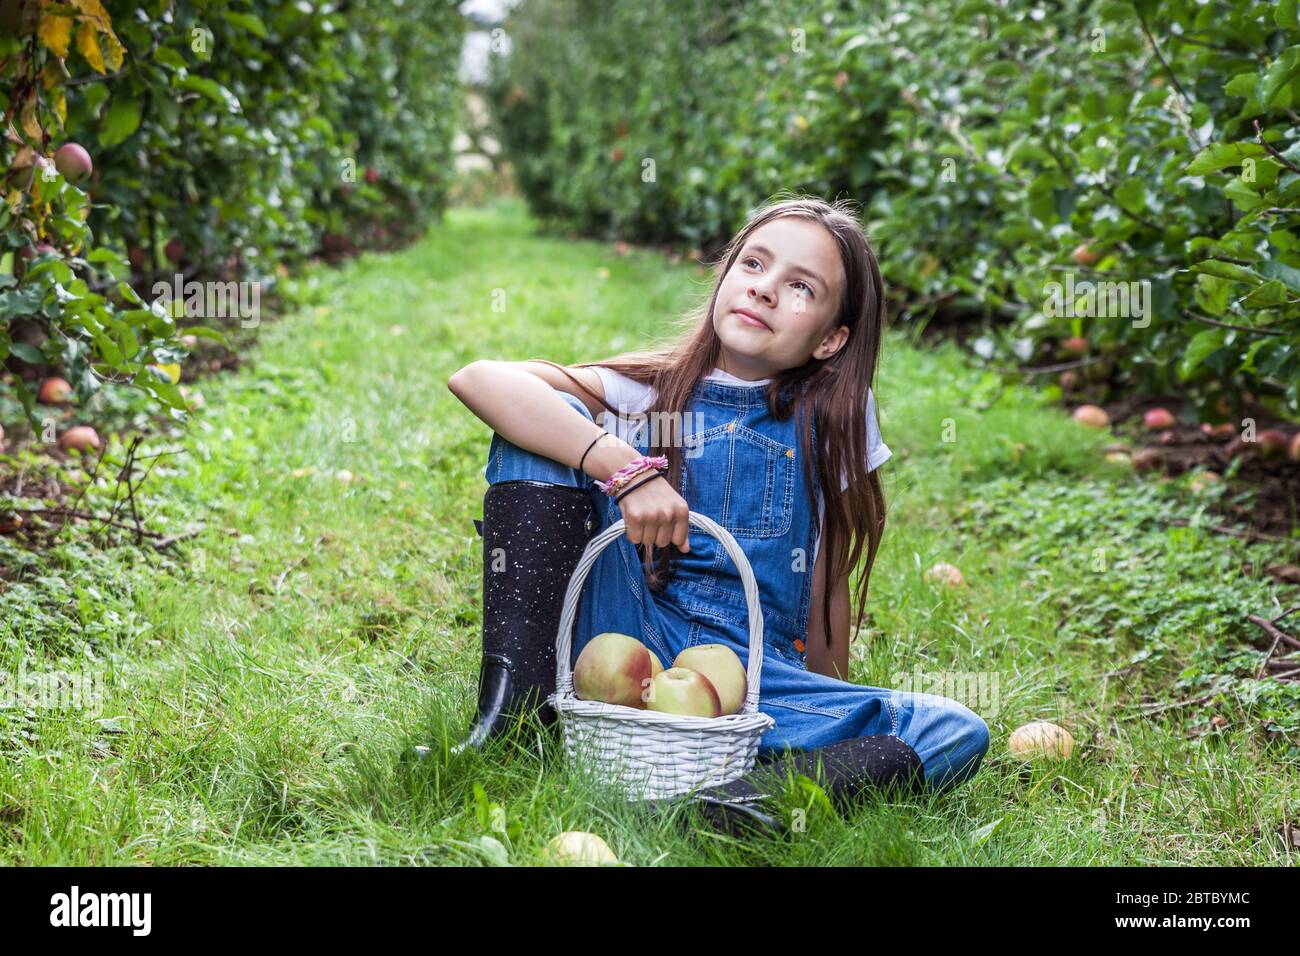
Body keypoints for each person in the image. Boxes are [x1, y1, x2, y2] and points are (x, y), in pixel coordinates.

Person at [443, 194, 989, 835]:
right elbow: (480, 378)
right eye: (753, 265)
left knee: (953, 729)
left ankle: (748, 798)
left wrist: (824, 704)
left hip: (751, 673)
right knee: (535, 432)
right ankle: (514, 714)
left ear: (832, 338)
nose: (764, 290)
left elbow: (828, 579)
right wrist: (622, 466)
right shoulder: (648, 393)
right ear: (724, 277)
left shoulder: (835, 418)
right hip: (626, 629)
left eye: (800, 288)